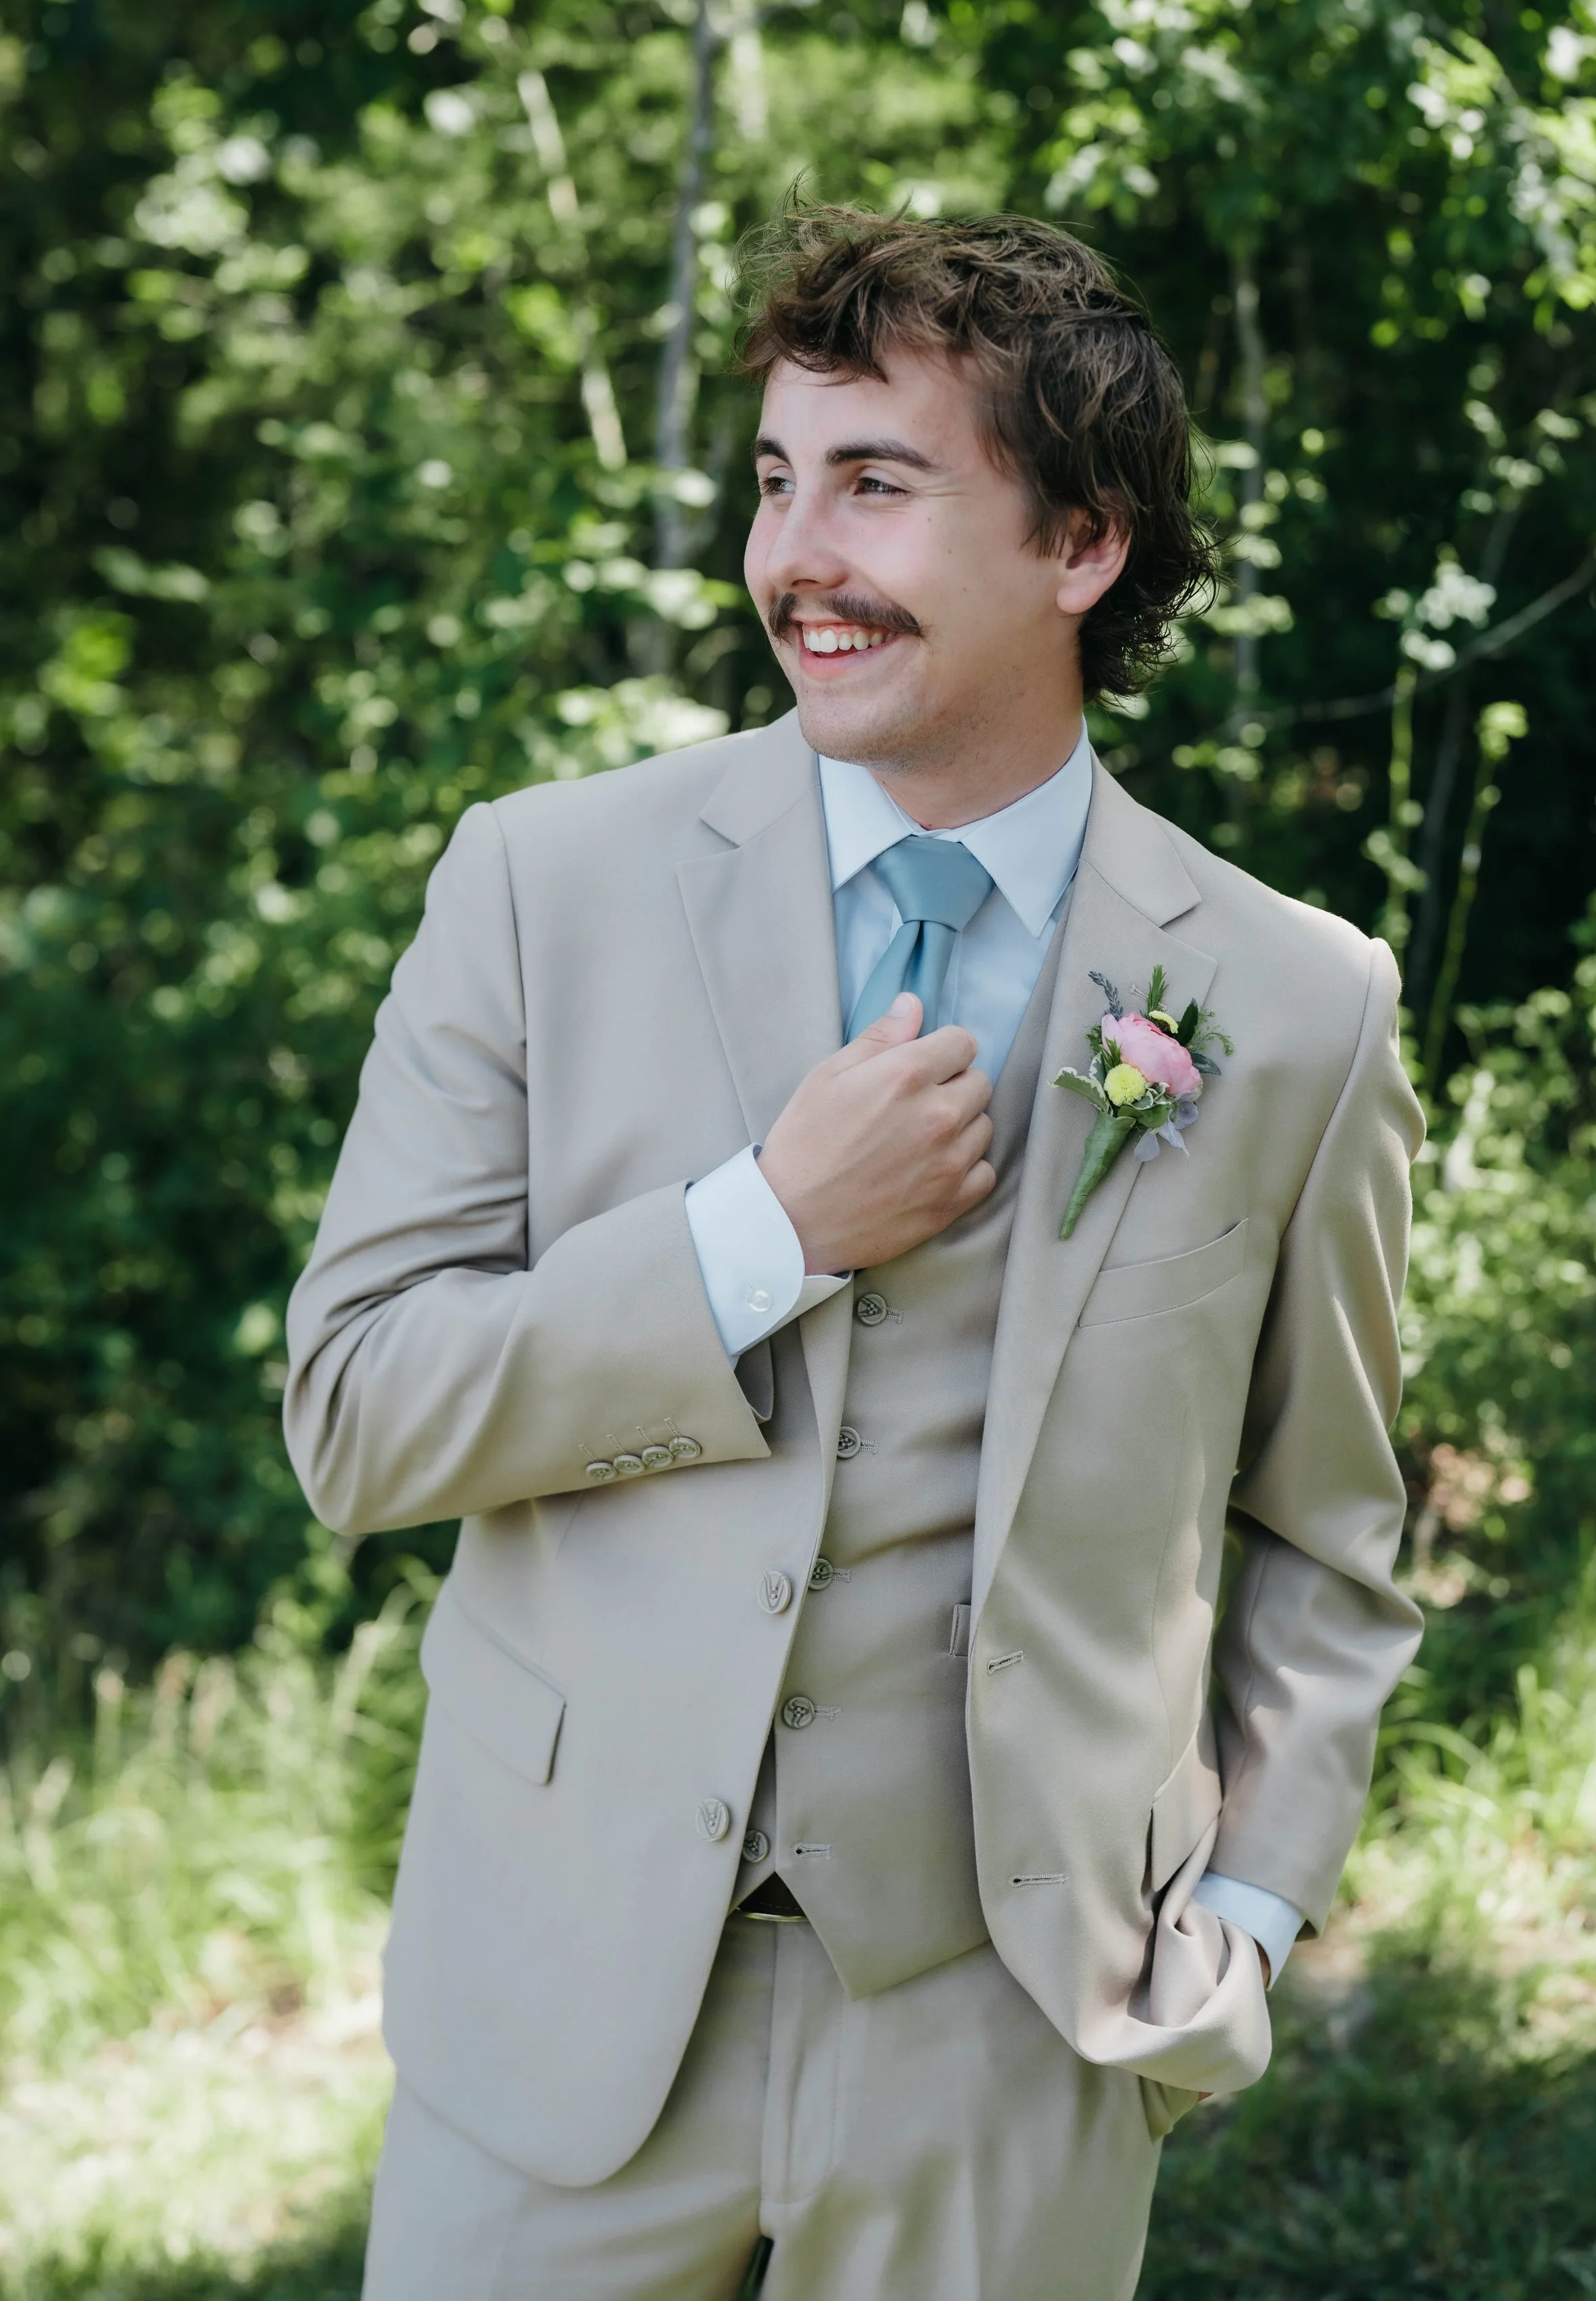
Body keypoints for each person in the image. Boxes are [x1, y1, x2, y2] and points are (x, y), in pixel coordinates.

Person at [285, 206, 1424, 2301]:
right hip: (560, 2003)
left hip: (1010, 2035)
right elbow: (354, 1415)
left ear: (1079, 546)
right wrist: (759, 1235)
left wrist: (1245, 1920)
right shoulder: (542, 884)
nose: (792, 556)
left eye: (875, 485)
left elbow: (1328, 1538)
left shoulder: (1291, 1000)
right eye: (773, 480)